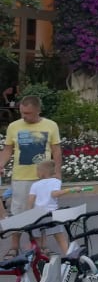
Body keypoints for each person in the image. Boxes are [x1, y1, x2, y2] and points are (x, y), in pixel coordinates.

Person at [0, 95, 62, 254]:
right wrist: (0, 164)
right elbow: (8, 149)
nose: (24, 116)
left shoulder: (51, 125)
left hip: (44, 178)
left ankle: (41, 246)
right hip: (21, 177)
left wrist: (57, 173)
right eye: (22, 113)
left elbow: (56, 150)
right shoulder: (14, 126)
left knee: (42, 212)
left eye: (28, 113)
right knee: (18, 211)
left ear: (38, 111)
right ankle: (14, 246)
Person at [27, 159, 91, 255]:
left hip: (38, 214)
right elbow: (54, 194)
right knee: (60, 238)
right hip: (51, 214)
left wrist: (29, 214)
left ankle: (42, 259)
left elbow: (30, 201)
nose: (36, 173)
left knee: (39, 238)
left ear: (43, 172)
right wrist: (71, 189)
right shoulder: (56, 181)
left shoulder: (35, 185)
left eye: (37, 170)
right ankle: (69, 257)